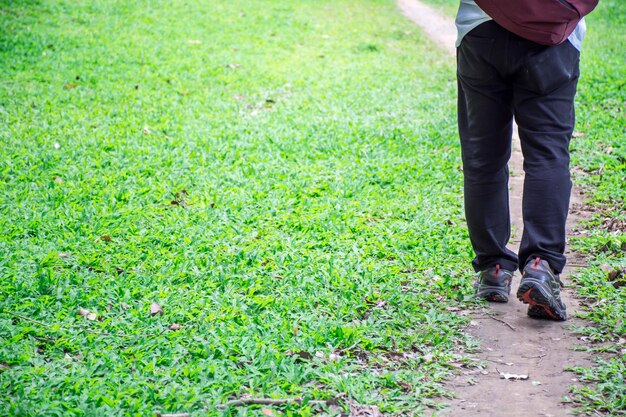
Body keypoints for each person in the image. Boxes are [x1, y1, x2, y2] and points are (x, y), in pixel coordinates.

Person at [455, 0, 586, 320]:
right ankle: (541, 266)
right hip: (554, 35)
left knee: (483, 157)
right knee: (548, 154)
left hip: (480, 29)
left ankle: (494, 269)